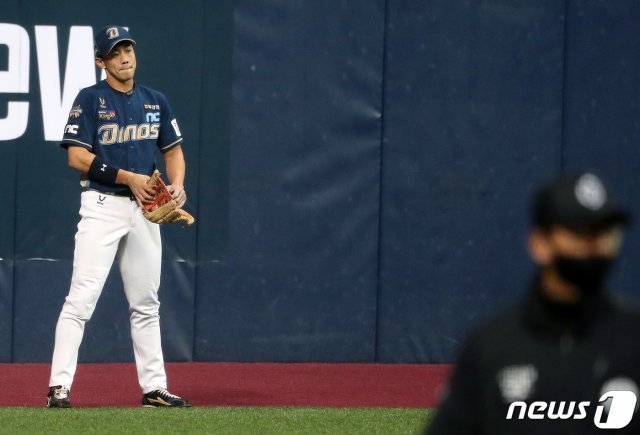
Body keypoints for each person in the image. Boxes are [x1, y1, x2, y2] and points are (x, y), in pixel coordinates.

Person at [426, 172, 640, 434]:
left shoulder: (633, 337)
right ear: (539, 244)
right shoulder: (490, 347)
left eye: (603, 233)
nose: (594, 247)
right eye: (580, 233)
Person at [46, 25, 191, 408]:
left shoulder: (155, 100)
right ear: (101, 61)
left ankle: (153, 387)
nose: (125, 57)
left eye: (128, 49)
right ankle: (58, 388)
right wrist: (128, 177)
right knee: (80, 301)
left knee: (146, 302)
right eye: (115, 52)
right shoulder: (91, 99)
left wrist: (176, 185)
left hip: (145, 211)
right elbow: (76, 157)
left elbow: (173, 152)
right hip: (103, 206)